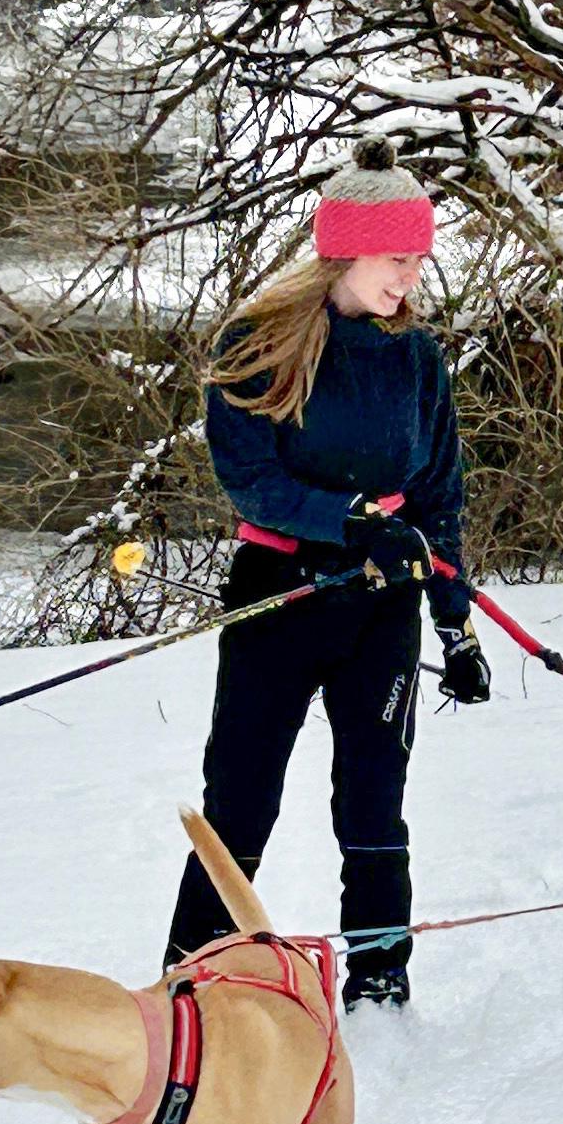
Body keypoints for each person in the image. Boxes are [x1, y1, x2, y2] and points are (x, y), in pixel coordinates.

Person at [163, 138, 490, 1010]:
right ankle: (192, 981)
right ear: (344, 250)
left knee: (374, 801)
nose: (409, 278)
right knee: (241, 797)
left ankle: (379, 982)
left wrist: (455, 622)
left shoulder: (415, 359)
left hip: (382, 609)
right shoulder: (258, 343)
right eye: (395, 258)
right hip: (279, 597)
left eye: (419, 258)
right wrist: (349, 525)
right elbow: (253, 482)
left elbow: (439, 494)